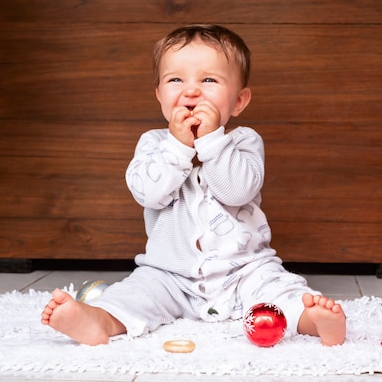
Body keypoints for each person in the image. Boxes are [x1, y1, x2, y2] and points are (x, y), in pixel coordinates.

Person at [41, 24, 346, 347]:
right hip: (169, 275)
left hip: (244, 269)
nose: (191, 91)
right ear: (159, 94)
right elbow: (148, 194)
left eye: (209, 80)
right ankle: (97, 320)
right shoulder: (153, 143)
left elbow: (236, 191)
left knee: (278, 288)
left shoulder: (244, 142)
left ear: (239, 101)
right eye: (176, 80)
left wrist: (213, 141)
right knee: (134, 293)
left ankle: (313, 320)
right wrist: (177, 147)